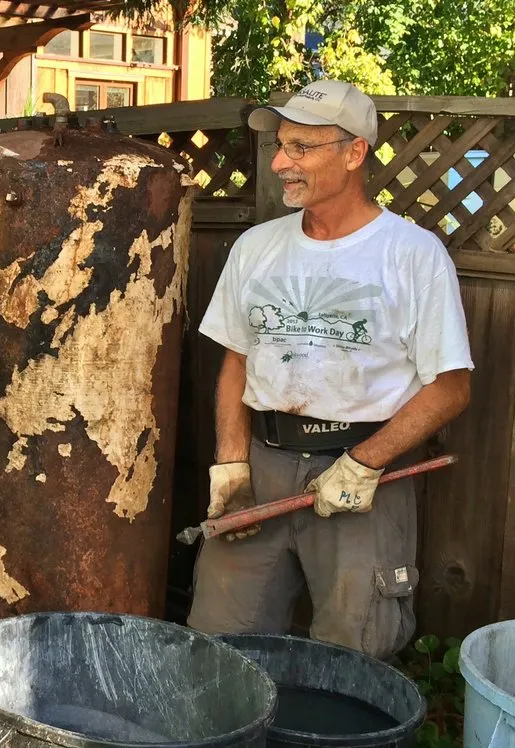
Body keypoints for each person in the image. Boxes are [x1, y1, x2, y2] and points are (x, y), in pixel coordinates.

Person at [186, 80, 473, 659]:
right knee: (217, 649)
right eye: (281, 146)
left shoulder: (412, 255)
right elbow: (237, 363)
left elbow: (451, 387)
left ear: (354, 153)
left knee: (352, 659)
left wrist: (364, 464)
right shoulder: (255, 247)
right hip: (262, 470)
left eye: (301, 148)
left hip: (366, 479)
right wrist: (231, 466)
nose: (281, 163)